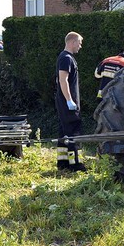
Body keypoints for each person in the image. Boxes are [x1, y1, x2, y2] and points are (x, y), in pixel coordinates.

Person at [56, 31, 85, 172]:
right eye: (79, 43)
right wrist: (69, 100)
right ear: (72, 42)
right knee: (73, 130)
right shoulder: (66, 58)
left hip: (65, 101)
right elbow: (63, 80)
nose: (80, 46)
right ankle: (75, 164)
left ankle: (63, 162)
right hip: (67, 102)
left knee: (64, 131)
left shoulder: (65, 57)